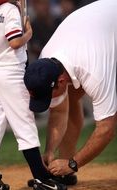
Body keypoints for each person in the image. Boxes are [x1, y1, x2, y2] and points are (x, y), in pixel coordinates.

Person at [24, 0, 117, 180]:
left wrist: (73, 164)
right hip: (99, 29)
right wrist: (50, 151)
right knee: (71, 97)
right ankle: (65, 166)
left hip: (107, 30)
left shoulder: (92, 72)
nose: (49, 102)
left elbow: (107, 129)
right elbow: (59, 111)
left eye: (48, 96)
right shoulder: (47, 61)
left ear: (60, 81)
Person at [0, 1, 67, 190]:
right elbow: (15, 42)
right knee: (25, 126)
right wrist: (28, 33)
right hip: (10, 72)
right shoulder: (10, 10)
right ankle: (41, 177)